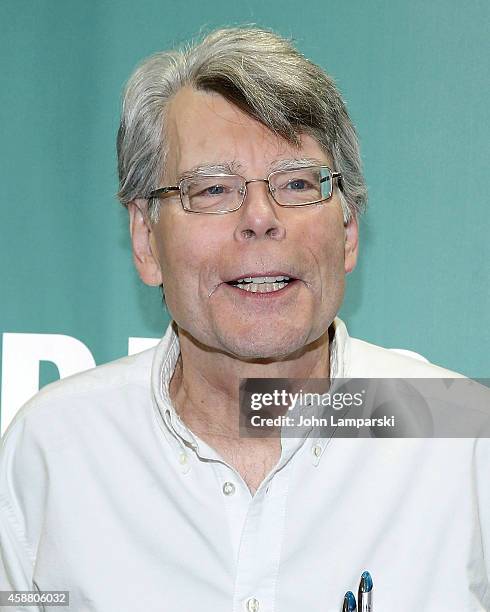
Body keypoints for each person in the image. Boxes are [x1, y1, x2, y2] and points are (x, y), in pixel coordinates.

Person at [1, 27, 489, 612]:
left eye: (297, 184)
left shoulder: (463, 435)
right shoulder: (52, 449)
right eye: (212, 190)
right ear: (145, 238)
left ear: (349, 229)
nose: (260, 218)